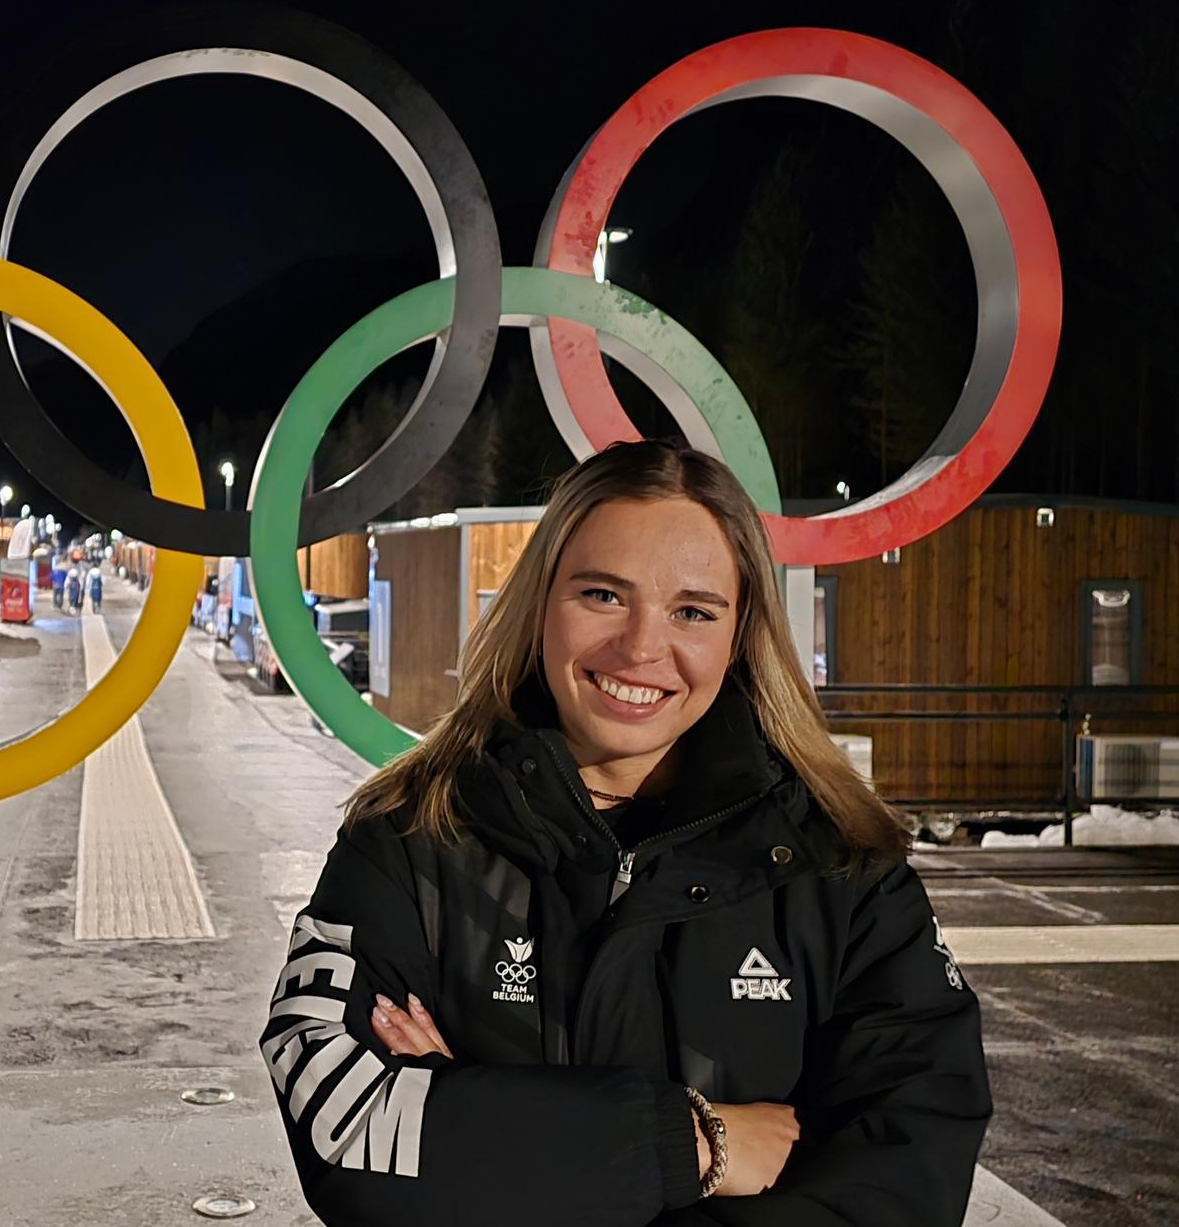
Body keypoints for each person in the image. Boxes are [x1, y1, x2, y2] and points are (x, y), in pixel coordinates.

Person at [262, 440, 988, 1226]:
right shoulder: (409, 836)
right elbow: (349, 1130)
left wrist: (486, 1127)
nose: (642, 647)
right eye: (604, 595)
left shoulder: (840, 863)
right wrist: (693, 1142)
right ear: (540, 600)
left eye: (693, 611)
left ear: (741, 631)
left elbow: (906, 1173)